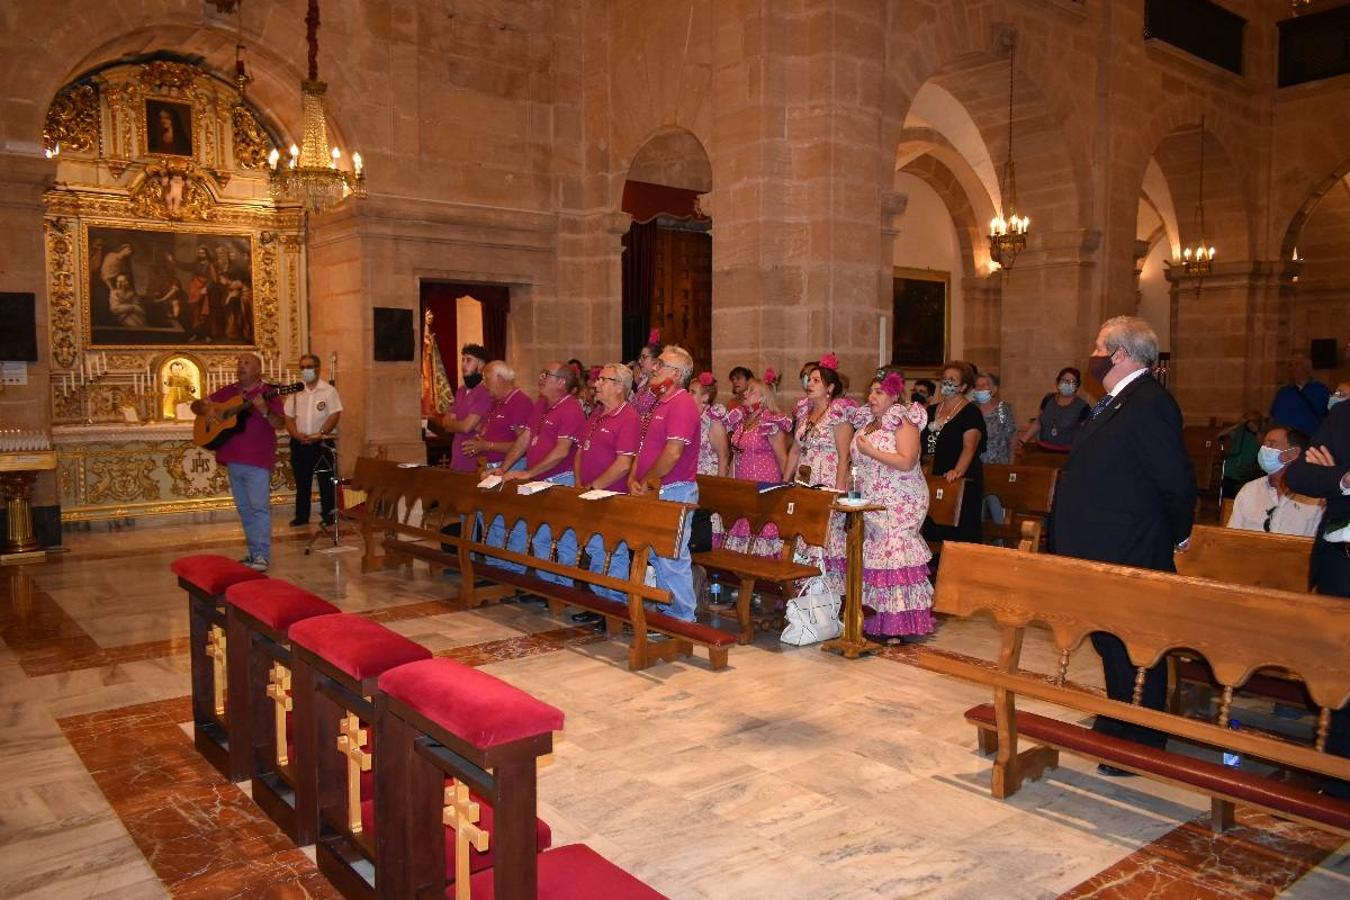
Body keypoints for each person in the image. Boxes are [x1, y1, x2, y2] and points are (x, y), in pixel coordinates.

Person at [1049, 316, 1195, 766]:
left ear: (1120, 354)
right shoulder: (1116, 399)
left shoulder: (1150, 402)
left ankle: (1142, 738)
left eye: (1097, 346)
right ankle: (1116, 719)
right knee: (1109, 640)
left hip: (1130, 543)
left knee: (1135, 642)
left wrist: (1178, 534)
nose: (1090, 354)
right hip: (1101, 544)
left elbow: (1175, 480)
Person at [1284, 393, 1350, 798]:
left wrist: (1337, 473)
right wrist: (1344, 479)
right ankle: (1336, 774)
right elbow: (1301, 476)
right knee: (1339, 671)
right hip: (1339, 564)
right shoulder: (1344, 414)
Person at [850, 373, 933, 641]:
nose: (871, 397)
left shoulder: (903, 419)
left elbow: (907, 461)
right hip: (872, 497)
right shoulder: (868, 423)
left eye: (879, 392)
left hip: (901, 499)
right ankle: (875, 619)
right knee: (875, 554)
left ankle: (899, 623)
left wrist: (870, 452)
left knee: (894, 552)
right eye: (871, 392)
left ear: (894, 396)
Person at [190, 354, 285, 572]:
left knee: (258, 508)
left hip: (257, 459)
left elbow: (279, 423)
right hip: (233, 459)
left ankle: (262, 555)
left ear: (258, 369)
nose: (241, 367)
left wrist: (264, 410)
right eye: (239, 363)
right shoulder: (227, 392)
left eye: (246, 363)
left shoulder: (268, 393)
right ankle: (253, 553)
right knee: (244, 509)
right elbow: (197, 407)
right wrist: (208, 410)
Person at [629, 344, 702, 624]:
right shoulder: (661, 402)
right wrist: (635, 479)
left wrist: (648, 482)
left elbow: (673, 453)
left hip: (674, 489)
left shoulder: (682, 403)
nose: (654, 368)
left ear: (677, 373)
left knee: (672, 557)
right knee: (659, 557)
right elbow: (645, 447)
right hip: (656, 488)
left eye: (661, 364)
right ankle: (667, 612)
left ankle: (683, 619)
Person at [500, 362, 587, 586]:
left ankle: (565, 589)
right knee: (540, 536)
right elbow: (525, 439)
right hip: (539, 479)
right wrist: (504, 468)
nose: (540, 377)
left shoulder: (571, 408)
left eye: (546, 374)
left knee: (564, 537)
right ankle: (546, 587)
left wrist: (528, 473)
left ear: (561, 382)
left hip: (560, 480)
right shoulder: (540, 405)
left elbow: (561, 452)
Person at [785, 356, 853, 595]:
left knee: (824, 536)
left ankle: (824, 596)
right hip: (804, 481)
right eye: (809, 379)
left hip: (827, 480)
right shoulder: (804, 413)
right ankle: (802, 593)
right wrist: (785, 483)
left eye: (816, 380)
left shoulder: (838, 414)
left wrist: (838, 492)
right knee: (802, 534)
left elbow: (845, 456)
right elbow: (794, 450)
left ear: (830, 388)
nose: (809, 383)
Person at [574, 363, 641, 606]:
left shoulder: (628, 417)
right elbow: (581, 452)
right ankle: (601, 604)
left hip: (611, 496)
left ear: (620, 387)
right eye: (598, 379)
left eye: (603, 380)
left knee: (612, 552)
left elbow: (624, 464)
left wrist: (593, 486)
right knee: (595, 549)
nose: (596, 384)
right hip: (589, 493)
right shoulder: (595, 414)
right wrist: (578, 484)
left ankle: (614, 607)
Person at [463, 361, 534, 572]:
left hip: (512, 467)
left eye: (487, 379)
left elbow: (523, 443)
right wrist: (482, 440)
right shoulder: (498, 402)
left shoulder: (520, 402)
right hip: (493, 468)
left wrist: (487, 445)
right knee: (492, 522)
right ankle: (497, 570)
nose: (484, 385)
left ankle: (513, 572)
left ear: (501, 379)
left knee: (511, 524)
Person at [722, 376, 792, 558]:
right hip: (743, 487)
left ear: (763, 397)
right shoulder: (743, 421)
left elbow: (783, 457)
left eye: (751, 390)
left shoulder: (770, 421)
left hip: (764, 486)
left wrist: (786, 488)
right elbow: (735, 453)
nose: (745, 393)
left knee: (761, 530)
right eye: (746, 390)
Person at [922, 360, 986, 546]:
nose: (947, 383)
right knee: (932, 528)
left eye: (953, 380)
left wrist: (957, 472)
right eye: (944, 379)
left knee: (958, 532)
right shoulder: (932, 410)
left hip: (959, 477)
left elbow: (969, 447)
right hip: (934, 474)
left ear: (964, 386)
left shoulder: (970, 412)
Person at [1226, 426, 1322, 537]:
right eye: (1264, 444)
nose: (1264, 449)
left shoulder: (1315, 497)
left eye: (1271, 444)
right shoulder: (1249, 490)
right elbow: (1231, 537)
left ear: (1293, 453)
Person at [283, 354, 343, 528]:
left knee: (326, 481)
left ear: (318, 368)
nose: (305, 371)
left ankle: (329, 515)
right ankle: (301, 516)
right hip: (300, 443)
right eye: (302, 367)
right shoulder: (295, 391)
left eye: (308, 367)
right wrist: (295, 434)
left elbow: (334, 414)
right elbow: (288, 416)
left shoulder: (328, 391)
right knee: (302, 482)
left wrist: (321, 433)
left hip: (321, 443)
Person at [435, 344, 492, 473]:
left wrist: (454, 424)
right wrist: (457, 424)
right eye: (463, 360)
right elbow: (445, 422)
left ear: (481, 364)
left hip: (474, 458)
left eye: (469, 360)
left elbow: (466, 426)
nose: (463, 364)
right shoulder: (461, 391)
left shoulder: (484, 391)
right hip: (457, 456)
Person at [1018, 367, 1090, 453]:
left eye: (1072, 382)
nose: (1067, 384)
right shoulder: (1048, 399)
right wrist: (1022, 440)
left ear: (1077, 386)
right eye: (1064, 380)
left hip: (1067, 454)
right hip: (1042, 450)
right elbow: (1038, 422)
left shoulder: (1083, 407)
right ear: (1057, 382)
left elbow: (1087, 433)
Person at [1270, 352, 1330, 435]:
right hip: (1287, 441)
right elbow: (1274, 418)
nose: (1292, 368)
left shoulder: (1321, 391)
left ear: (1308, 368)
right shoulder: (1283, 393)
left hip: (1311, 440)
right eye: (1290, 365)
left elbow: (1329, 418)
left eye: (1297, 364)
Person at [1217, 410, 1263, 499]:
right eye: (1248, 421)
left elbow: (1263, 447)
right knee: (1227, 500)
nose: (1250, 423)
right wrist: (1237, 425)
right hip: (1230, 472)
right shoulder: (1239, 431)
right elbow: (1219, 435)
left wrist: (1256, 432)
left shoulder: (1261, 434)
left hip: (1246, 474)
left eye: (1253, 421)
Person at [975, 372, 1016, 466]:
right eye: (977, 386)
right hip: (975, 464)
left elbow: (1012, 439)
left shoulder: (1003, 409)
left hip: (998, 464)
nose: (980, 388)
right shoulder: (971, 409)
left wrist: (1011, 464)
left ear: (994, 389)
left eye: (984, 385)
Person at [632, 331, 663, 417]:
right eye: (640, 357)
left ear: (656, 360)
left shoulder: (661, 386)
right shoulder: (643, 384)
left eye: (644, 357)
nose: (639, 361)